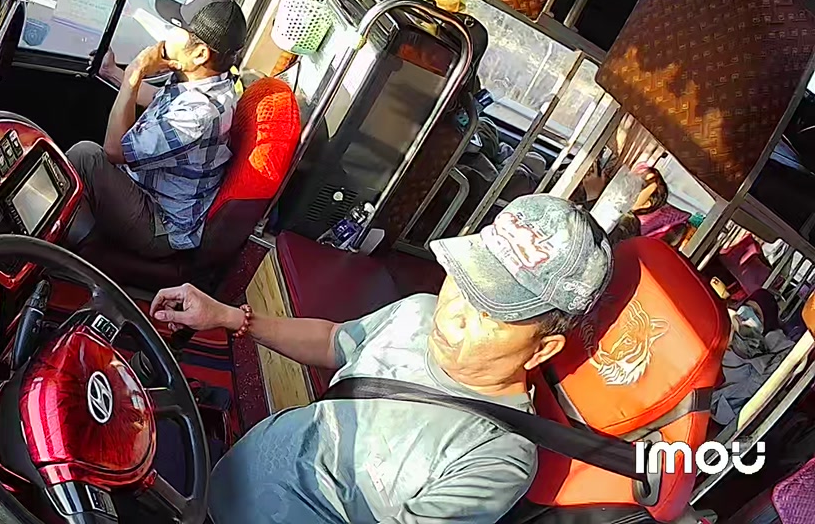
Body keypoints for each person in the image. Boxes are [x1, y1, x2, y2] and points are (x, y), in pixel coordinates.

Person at [149, 194, 613, 523]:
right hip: (215, 476)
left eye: (490, 311)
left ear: (543, 348)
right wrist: (229, 317)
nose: (453, 313)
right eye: (463, 282)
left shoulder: (496, 456)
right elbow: (334, 341)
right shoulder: (419, 311)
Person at [66, 0, 247, 258]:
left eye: (176, 28)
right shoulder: (201, 81)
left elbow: (114, 151)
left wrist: (135, 71)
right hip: (145, 190)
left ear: (200, 54)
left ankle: (75, 250)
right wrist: (113, 73)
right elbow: (157, 99)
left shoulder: (200, 113)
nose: (165, 35)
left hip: (160, 224)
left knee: (86, 156)